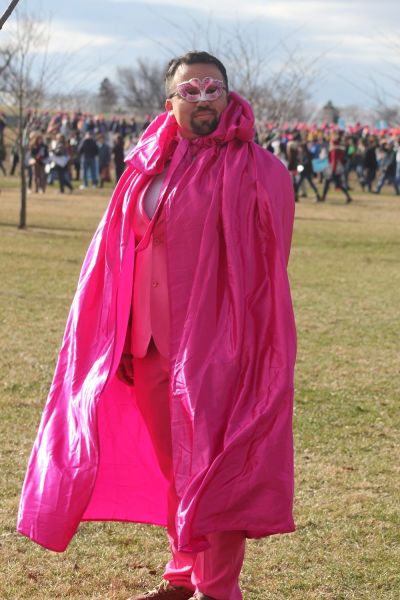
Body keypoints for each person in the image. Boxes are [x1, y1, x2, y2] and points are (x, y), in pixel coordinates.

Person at [17, 52, 297, 600]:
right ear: (170, 103)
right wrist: (115, 334)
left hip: (217, 347)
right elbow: (117, 256)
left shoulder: (259, 171)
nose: (202, 98)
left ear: (228, 95)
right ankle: (182, 572)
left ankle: (217, 589)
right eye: (188, 90)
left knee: (211, 467)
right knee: (174, 466)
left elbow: (264, 271)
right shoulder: (145, 165)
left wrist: (241, 344)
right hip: (147, 343)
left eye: (212, 87)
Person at [321, 136, 352, 203]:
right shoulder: (340, 150)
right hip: (339, 169)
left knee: (330, 183)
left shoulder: (334, 151)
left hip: (334, 169)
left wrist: (333, 171)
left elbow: (334, 161)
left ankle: (323, 197)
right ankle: (348, 197)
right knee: (337, 184)